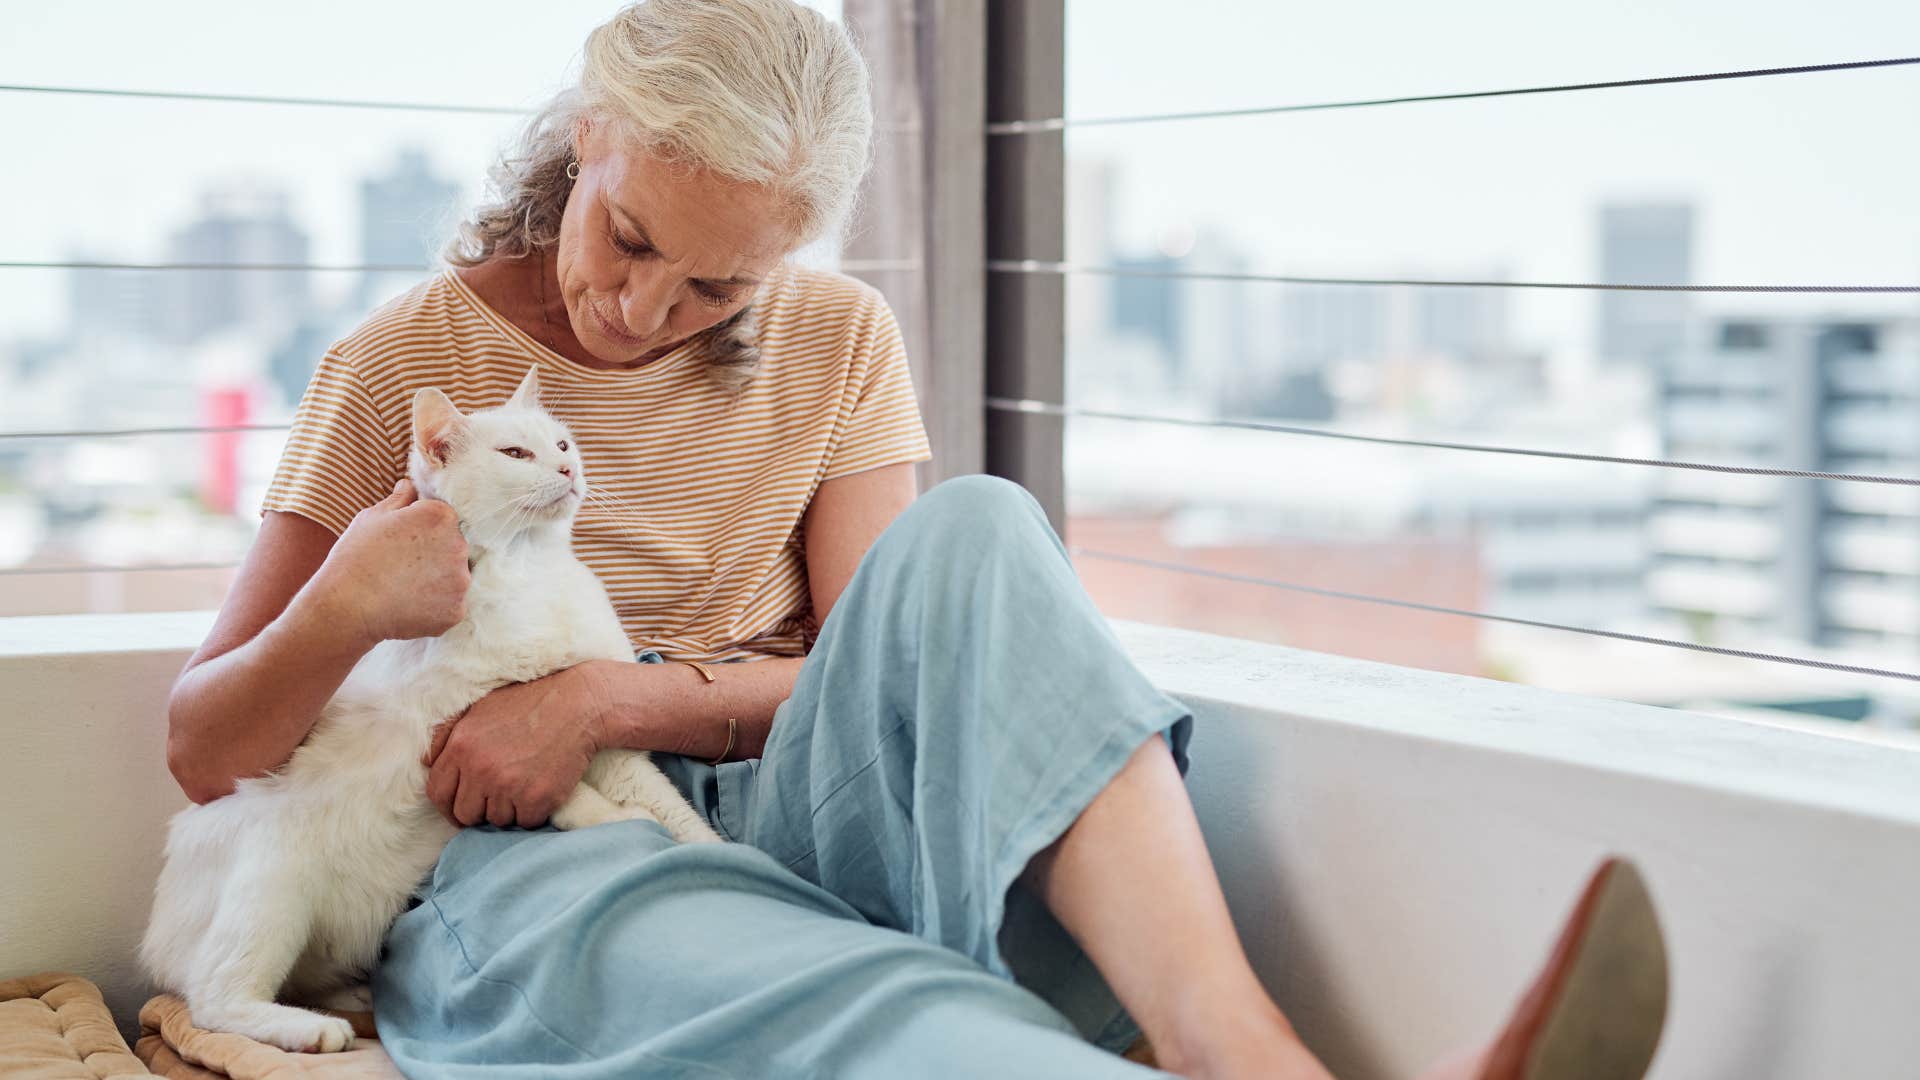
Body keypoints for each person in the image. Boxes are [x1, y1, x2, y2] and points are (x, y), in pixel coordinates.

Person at [163, 2, 1666, 1077]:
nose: (646, 312)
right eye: (630, 242)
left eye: (716, 294)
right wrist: (349, 607)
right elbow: (203, 747)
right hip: (520, 857)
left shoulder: (837, 338)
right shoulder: (402, 369)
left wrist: (615, 698)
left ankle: (1248, 1054)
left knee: (980, 530)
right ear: (591, 129)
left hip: (790, 797)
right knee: (843, 992)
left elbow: (879, 676)